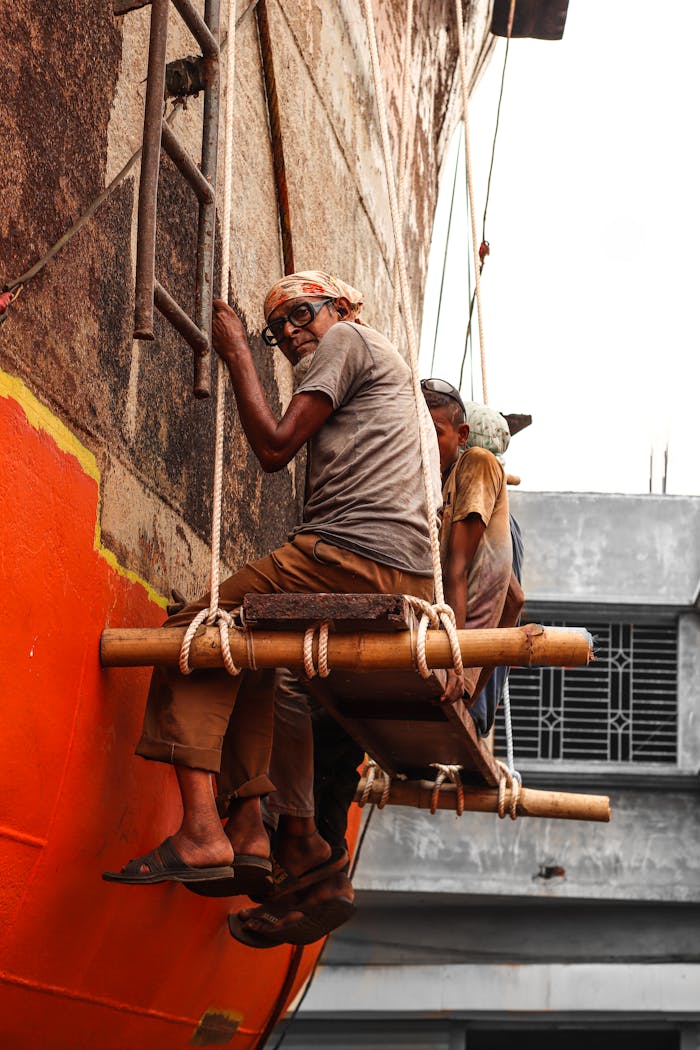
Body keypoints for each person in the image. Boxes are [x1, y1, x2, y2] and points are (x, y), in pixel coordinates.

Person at [103, 270, 441, 897]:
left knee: (191, 635)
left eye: (301, 313)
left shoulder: (348, 340)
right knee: (256, 653)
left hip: (349, 557)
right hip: (399, 568)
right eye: (275, 328)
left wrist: (238, 351)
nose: (288, 332)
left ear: (341, 309)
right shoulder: (379, 362)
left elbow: (274, 448)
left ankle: (202, 832)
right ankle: (249, 828)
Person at [420, 379, 524, 720]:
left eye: (435, 433)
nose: (424, 443)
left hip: (452, 657)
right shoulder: (440, 482)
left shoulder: (477, 465)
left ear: (462, 435)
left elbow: (457, 569)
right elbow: (515, 599)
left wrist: (459, 669)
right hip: (455, 659)